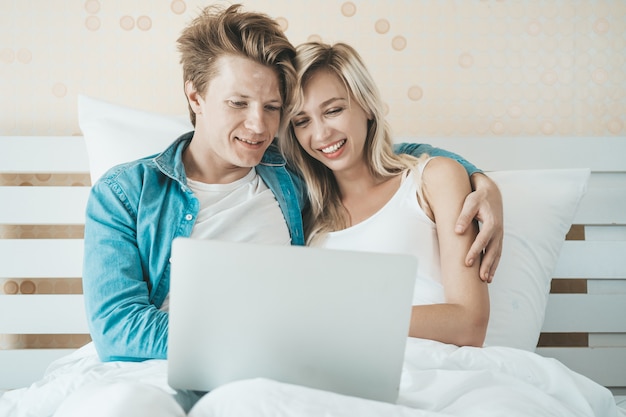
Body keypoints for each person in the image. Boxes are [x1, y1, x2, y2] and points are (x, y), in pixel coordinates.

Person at [82, 3, 501, 365]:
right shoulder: (125, 193)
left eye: (273, 108)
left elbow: (367, 154)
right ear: (195, 97)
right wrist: (254, 337)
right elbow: (118, 326)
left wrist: (478, 178)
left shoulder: (290, 175)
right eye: (238, 103)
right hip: (177, 360)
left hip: (292, 363)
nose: (258, 125)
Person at [280, 41, 490, 346]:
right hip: (341, 375)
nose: (321, 134)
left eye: (334, 110)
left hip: (438, 368)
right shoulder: (306, 218)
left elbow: (470, 324)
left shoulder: (433, 179)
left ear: (366, 105)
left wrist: (350, 319)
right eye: (302, 121)